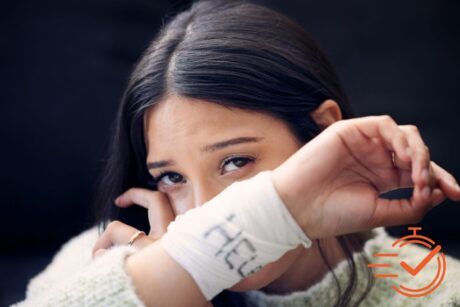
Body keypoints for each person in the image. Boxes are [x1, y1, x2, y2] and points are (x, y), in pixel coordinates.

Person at [13, 0, 460, 306]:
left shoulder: (437, 292)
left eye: (234, 162)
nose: (203, 211)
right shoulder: (107, 255)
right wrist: (176, 280)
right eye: (172, 177)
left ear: (321, 131)